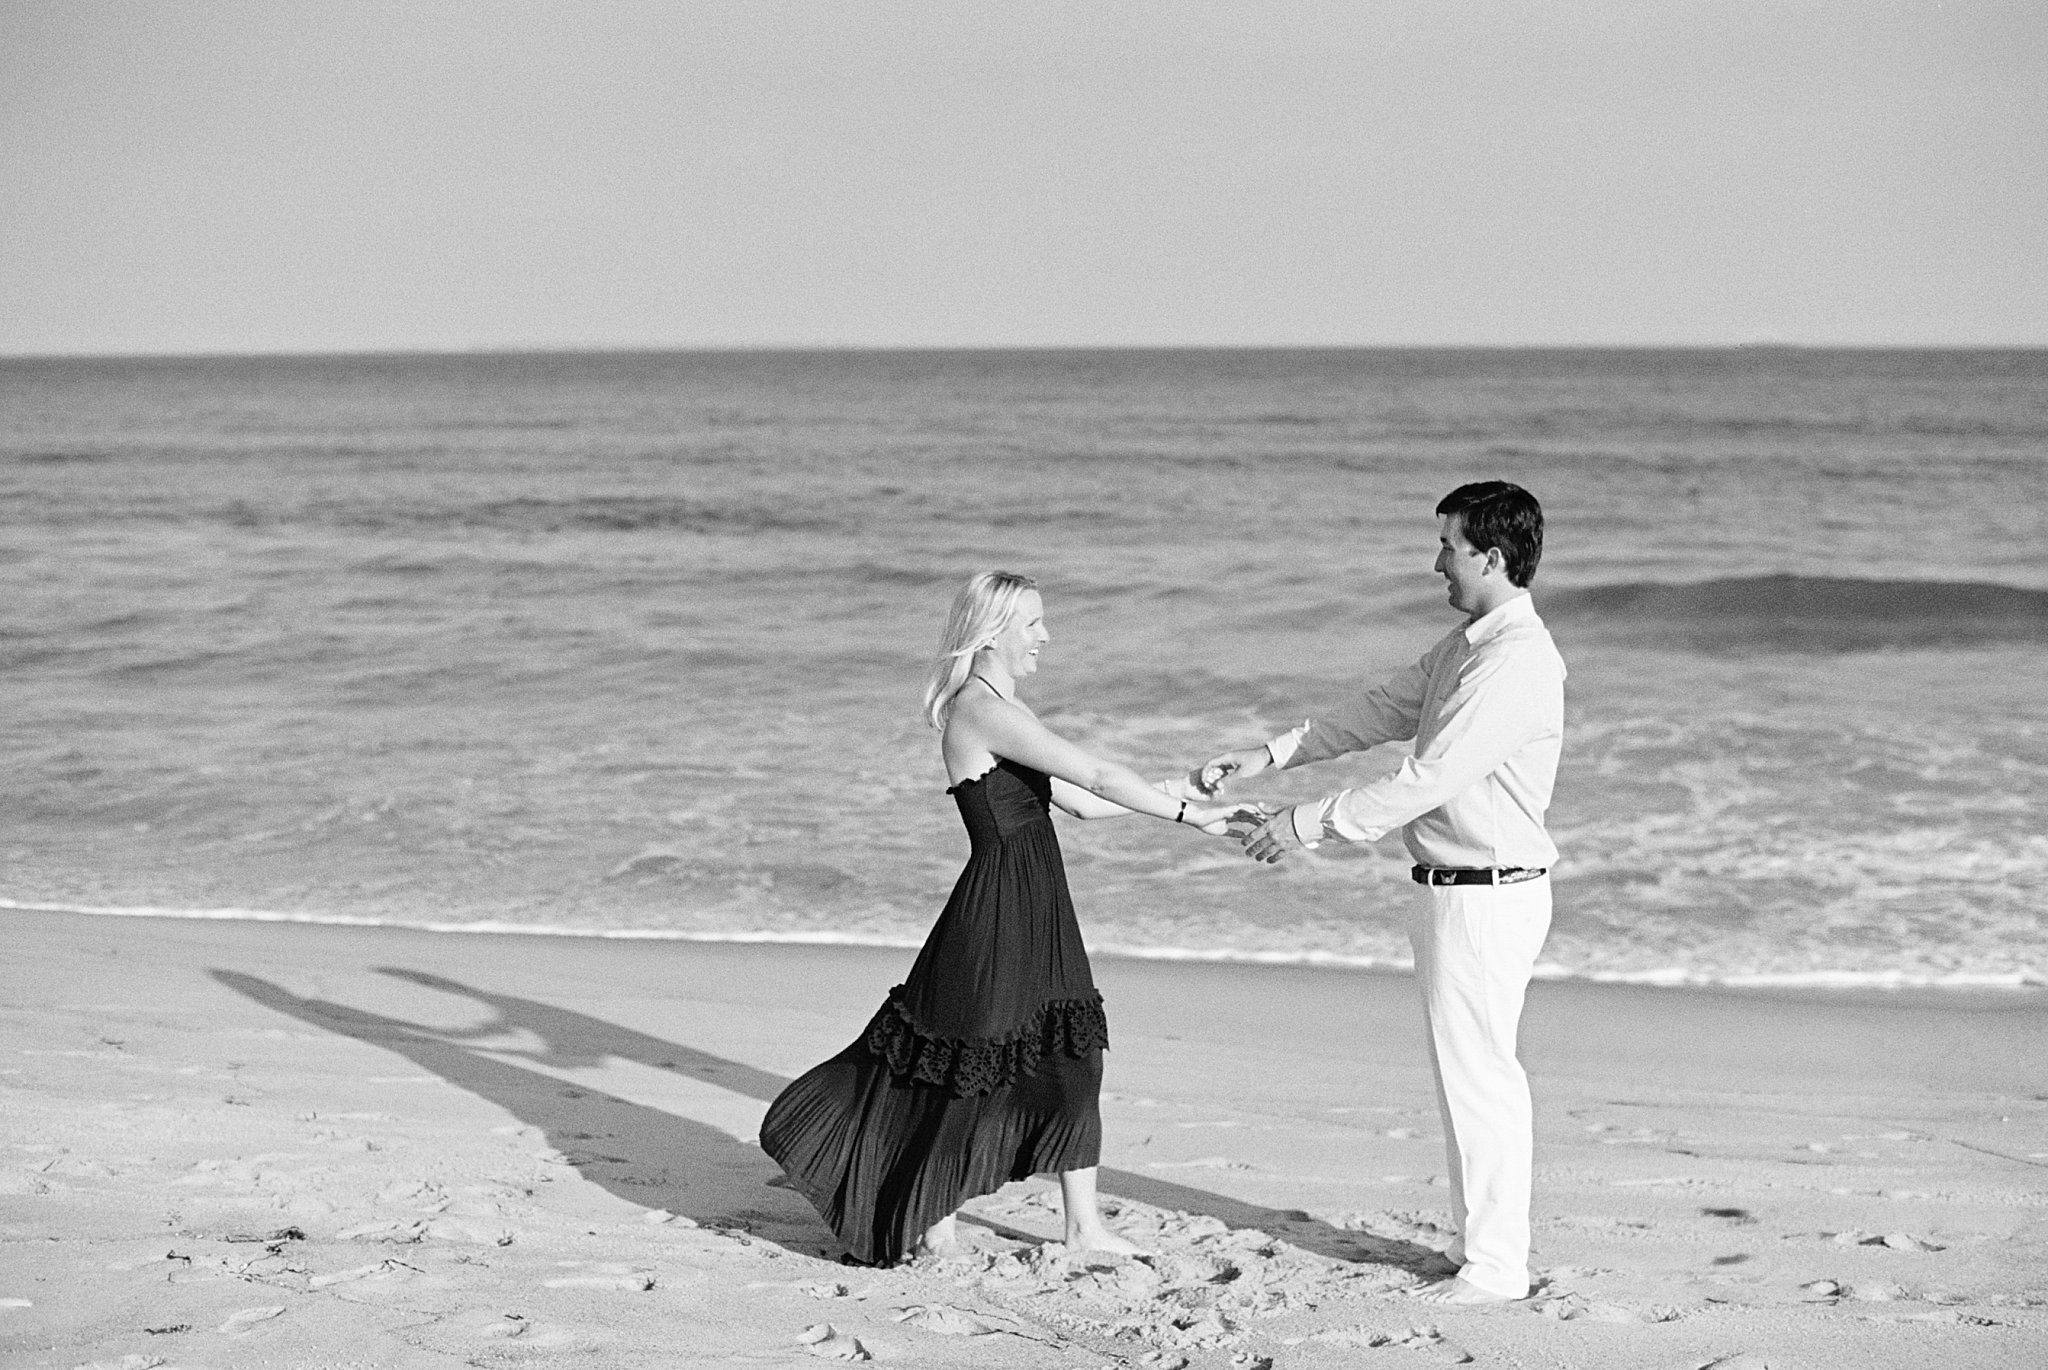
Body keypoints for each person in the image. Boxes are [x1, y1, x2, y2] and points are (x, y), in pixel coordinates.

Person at [760, 570, 1248, 1266]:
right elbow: (1101, 776)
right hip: (996, 910)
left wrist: (1189, 791)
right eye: (1033, 623)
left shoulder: (1003, 708)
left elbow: (1084, 802)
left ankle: (1083, 1227)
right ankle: (935, 1226)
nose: (1045, 636)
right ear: (993, 632)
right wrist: (1190, 816)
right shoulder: (979, 709)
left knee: (1074, 1056)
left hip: (1038, 900)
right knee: (971, 1067)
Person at [1198, 481, 1565, 1305]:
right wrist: (1271, 755)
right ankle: (1485, 1251)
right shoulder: (1468, 643)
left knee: (1481, 1081)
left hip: (1487, 895)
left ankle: (1498, 1268)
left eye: (1449, 545)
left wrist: (1306, 825)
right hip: (1454, 890)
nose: (1437, 560)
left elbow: (1427, 779)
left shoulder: (1515, 660)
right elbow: (1385, 707)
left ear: (1492, 557)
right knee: (1467, 1076)